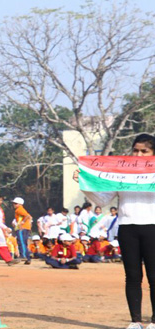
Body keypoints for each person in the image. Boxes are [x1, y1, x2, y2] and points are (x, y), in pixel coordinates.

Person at [77, 133, 155, 329]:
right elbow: (103, 200)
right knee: (132, 276)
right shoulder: (123, 172)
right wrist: (84, 184)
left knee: (154, 276)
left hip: (152, 227)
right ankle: (135, 321)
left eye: (144, 151)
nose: (138, 154)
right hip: (127, 227)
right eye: (135, 150)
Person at [12, 197, 33, 264]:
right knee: (24, 243)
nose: (14, 205)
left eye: (15, 203)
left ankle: (23, 256)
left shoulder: (19, 209)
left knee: (21, 242)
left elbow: (27, 216)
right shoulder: (21, 209)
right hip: (26, 227)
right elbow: (29, 216)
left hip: (22, 228)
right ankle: (28, 258)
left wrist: (22, 222)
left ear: (20, 204)